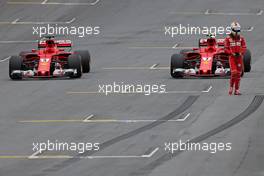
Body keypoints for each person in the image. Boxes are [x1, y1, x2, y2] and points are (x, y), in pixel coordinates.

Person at [224, 22, 247, 95]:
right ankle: (231, 87)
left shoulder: (241, 39)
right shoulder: (228, 39)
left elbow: (244, 47)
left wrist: (241, 52)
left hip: (239, 58)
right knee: (234, 73)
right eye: (235, 30)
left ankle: (236, 90)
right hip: (232, 58)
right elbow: (225, 49)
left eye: (238, 30)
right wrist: (231, 53)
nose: (237, 32)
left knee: (238, 74)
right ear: (232, 29)